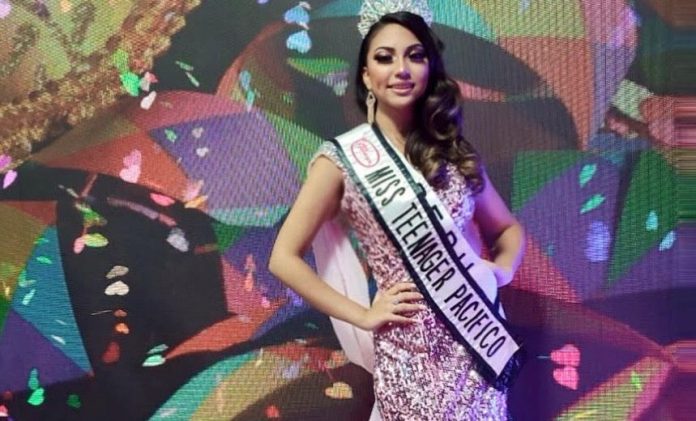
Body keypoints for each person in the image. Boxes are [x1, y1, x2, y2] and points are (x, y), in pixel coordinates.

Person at [269, 5, 525, 420]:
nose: (401, 69)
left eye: (415, 56)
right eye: (385, 58)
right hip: (407, 356)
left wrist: (501, 271)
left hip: (476, 349)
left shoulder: (454, 153)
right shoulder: (343, 160)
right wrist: (363, 315)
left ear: (430, 68)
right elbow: (283, 258)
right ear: (366, 76)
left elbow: (507, 229)